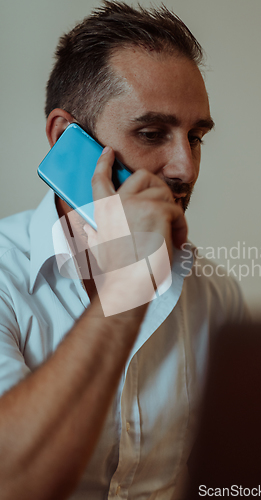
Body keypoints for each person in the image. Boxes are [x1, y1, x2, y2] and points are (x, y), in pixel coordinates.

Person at [0, 2, 248, 499]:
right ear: (63, 139)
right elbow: (13, 481)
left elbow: (239, 475)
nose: (184, 168)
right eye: (152, 133)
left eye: (195, 137)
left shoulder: (215, 294)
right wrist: (129, 284)